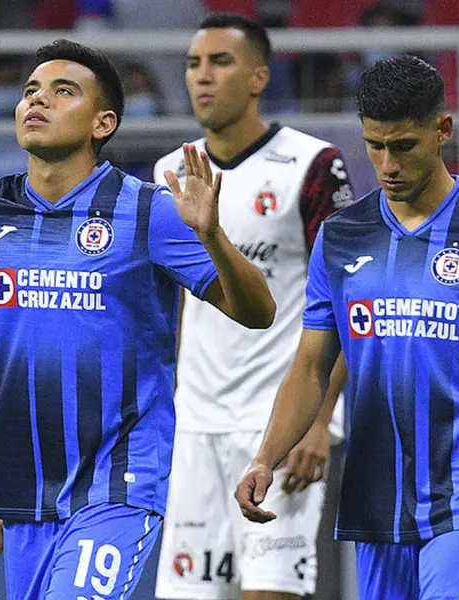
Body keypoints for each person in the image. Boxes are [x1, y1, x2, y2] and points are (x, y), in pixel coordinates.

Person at [0, 38, 276, 599]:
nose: (37, 101)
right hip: (27, 485)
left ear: (103, 122)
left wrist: (212, 237)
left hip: (118, 481)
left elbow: (258, 312)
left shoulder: (148, 210)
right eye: (30, 91)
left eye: (63, 91)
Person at [236, 54, 459, 599]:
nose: (387, 165)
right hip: (376, 502)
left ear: (442, 130)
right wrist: (267, 456)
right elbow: (311, 366)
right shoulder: (341, 238)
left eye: (403, 145)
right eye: (374, 146)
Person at [152, 14, 354, 600]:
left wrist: (320, 420)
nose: (202, 76)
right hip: (194, 428)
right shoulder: (171, 174)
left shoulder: (313, 166)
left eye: (221, 62)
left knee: (269, 593)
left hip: (277, 427)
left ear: (260, 76)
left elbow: (343, 302)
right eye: (193, 64)